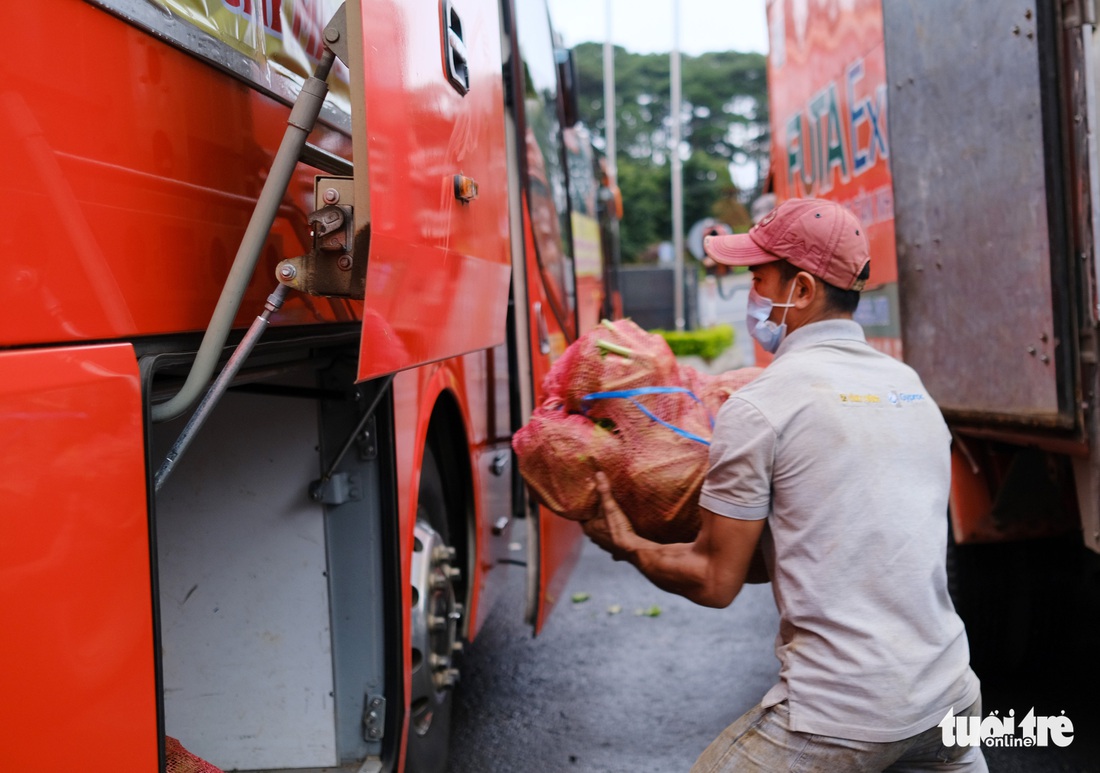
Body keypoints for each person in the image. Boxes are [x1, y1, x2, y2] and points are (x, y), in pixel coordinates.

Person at [582, 198, 985, 771]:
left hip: (843, 717)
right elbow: (821, 549)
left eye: (757, 277)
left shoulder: (762, 406)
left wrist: (630, 545)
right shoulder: (910, 388)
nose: (750, 293)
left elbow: (715, 580)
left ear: (799, 289)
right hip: (952, 702)